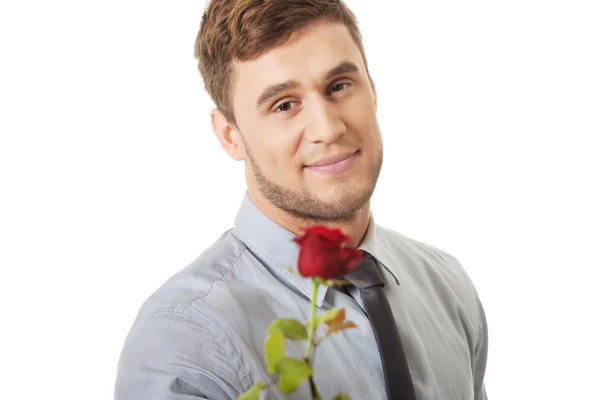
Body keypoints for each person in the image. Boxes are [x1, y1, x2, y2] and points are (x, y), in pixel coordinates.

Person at [114, 1, 489, 399]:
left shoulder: (446, 284)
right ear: (230, 135)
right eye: (284, 105)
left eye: (340, 85)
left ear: (373, 88)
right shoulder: (185, 341)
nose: (327, 128)